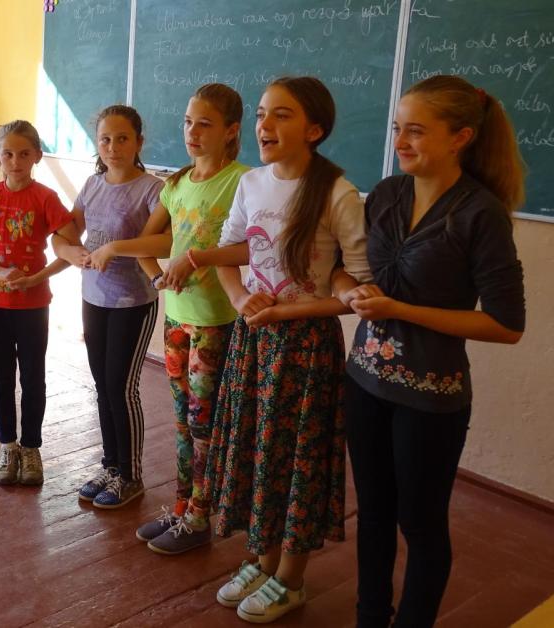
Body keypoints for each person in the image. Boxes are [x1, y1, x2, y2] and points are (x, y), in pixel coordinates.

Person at [340, 75, 526, 628]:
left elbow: (506, 325)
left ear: (461, 137)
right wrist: (352, 293)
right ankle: (370, 617)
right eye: (398, 127)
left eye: (416, 131)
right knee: (373, 513)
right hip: (364, 381)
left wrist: (399, 309)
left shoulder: (480, 213)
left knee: (420, 525)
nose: (400, 141)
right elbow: (351, 273)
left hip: (429, 397)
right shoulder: (388, 193)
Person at [198, 76, 371, 623]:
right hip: (255, 341)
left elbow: (355, 290)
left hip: (306, 350)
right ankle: (260, 558)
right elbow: (231, 252)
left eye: (282, 115)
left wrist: (284, 312)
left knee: (296, 461)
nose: (264, 126)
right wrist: (240, 297)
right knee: (257, 451)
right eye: (261, 114)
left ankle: (290, 578)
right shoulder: (252, 183)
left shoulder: (338, 193)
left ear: (314, 130)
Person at [87, 83, 249, 554]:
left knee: (203, 423)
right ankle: (182, 508)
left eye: (205, 124)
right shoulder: (177, 185)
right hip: (176, 319)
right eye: (187, 122)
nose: (192, 132)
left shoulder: (243, 181)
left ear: (231, 131)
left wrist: (195, 258)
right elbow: (151, 239)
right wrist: (155, 275)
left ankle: (199, 517)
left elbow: (251, 247)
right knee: (182, 421)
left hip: (215, 322)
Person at [52, 105, 163, 508]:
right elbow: (63, 234)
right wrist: (70, 251)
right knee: (102, 386)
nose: (113, 147)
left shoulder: (153, 189)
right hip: (93, 298)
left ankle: (131, 476)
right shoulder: (92, 184)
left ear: (138, 143)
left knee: (121, 387)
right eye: (105, 139)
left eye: (122, 139)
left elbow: (165, 241)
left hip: (133, 302)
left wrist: (116, 248)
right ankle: (111, 466)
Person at [0, 120, 81, 487]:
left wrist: (37, 278)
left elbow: (71, 248)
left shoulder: (45, 198)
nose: (15, 161)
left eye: (24, 154)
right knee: (0, 378)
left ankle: (31, 448)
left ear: (37, 156)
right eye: (8, 154)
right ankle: (8, 446)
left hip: (33, 306)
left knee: (32, 378)